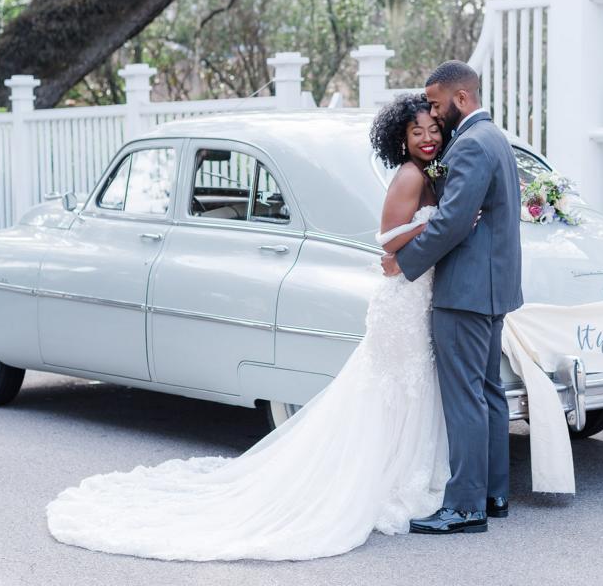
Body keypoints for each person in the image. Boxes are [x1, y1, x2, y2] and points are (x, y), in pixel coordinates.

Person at [46, 94, 452, 561]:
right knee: (393, 391)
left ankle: (400, 474)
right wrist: (438, 224)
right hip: (401, 303)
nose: (427, 139)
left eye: (433, 131)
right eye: (417, 131)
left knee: (402, 392)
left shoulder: (427, 176)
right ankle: (388, 479)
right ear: (401, 136)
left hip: (413, 297)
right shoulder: (408, 175)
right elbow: (386, 242)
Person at [382, 60, 524, 535]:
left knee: (465, 397)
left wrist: (406, 262)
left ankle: (465, 507)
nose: (436, 118)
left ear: (461, 98)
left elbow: (452, 222)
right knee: (488, 392)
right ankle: (493, 494)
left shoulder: (469, 146)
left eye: (439, 106)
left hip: (464, 290)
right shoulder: (497, 139)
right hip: (494, 287)